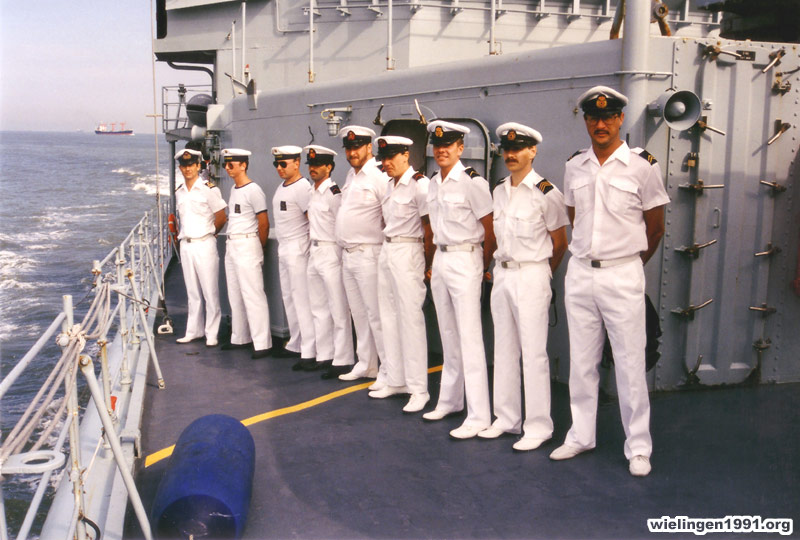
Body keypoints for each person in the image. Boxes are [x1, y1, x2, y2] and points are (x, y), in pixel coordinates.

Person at [549, 86, 669, 477]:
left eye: (608, 117)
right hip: (581, 273)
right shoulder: (575, 165)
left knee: (630, 363)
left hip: (622, 273)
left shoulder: (642, 165)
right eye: (593, 118)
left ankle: (639, 447)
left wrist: (627, 263)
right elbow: (574, 217)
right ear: (586, 120)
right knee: (582, 362)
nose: (600, 124)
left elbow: (655, 228)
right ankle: (581, 435)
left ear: (620, 119)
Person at [477, 123, 569, 451]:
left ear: (533, 151)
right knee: (503, 350)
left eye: (518, 149)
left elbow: (560, 242)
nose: (511, 154)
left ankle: (539, 426)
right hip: (502, 275)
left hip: (531, 274)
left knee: (533, 354)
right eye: (507, 149)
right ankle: (506, 418)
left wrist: (541, 273)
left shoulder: (547, 193)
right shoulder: (499, 190)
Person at [422, 120, 496, 439]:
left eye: (448, 145)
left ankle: (479, 415)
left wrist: (483, 264)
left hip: (466, 257)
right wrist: (431, 263)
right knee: (448, 334)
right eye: (438, 145)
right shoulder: (433, 183)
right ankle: (450, 401)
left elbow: (490, 229)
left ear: (460, 148)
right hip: (441, 258)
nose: (442, 150)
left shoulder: (473, 182)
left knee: (469, 337)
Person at [371, 136, 434, 413]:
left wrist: (428, 264)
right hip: (388, 250)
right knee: (388, 317)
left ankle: (419, 389)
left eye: (391, 157)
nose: (386, 163)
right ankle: (396, 380)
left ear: (406, 155)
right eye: (383, 158)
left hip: (409, 251)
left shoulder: (420, 185)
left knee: (410, 321)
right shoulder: (389, 185)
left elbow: (430, 229)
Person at [334, 126, 389, 383]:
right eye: (348, 148)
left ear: (369, 147)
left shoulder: (378, 176)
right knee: (359, 314)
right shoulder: (351, 175)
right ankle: (367, 364)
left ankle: (388, 371)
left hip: (369, 253)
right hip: (349, 255)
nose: (352, 153)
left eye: (357, 147)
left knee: (377, 316)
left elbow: (389, 216)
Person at [303, 145, 356, 379]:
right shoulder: (312, 192)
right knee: (318, 308)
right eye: (311, 165)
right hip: (314, 251)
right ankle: (325, 354)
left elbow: (341, 225)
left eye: (318, 165)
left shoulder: (334, 194)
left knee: (338, 308)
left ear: (329, 167)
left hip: (331, 250)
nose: (313, 169)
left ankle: (343, 359)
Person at [220, 148, 273, 359]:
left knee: (253, 295)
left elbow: (264, 223)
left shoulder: (254, 190)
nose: (227, 168)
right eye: (226, 164)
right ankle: (240, 337)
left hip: (248, 244)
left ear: (243, 165)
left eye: (231, 164)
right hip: (232, 245)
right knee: (235, 294)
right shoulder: (234, 189)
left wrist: (259, 248)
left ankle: (262, 343)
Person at [173, 148, 227, 347]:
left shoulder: (209, 189)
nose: (188, 169)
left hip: (204, 244)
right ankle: (193, 331)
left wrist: (210, 234)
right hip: (186, 245)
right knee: (193, 292)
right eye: (184, 166)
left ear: (198, 166)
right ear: (180, 168)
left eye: (191, 165)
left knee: (209, 291)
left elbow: (221, 216)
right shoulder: (179, 192)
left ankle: (211, 333)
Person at [270, 145, 317, 368]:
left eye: (283, 163)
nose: (279, 168)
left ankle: (310, 349)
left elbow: (312, 220)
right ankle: (296, 343)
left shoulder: (302, 188)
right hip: (284, 248)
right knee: (289, 298)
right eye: (276, 164)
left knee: (302, 300)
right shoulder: (282, 187)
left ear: (297, 163)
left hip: (298, 249)